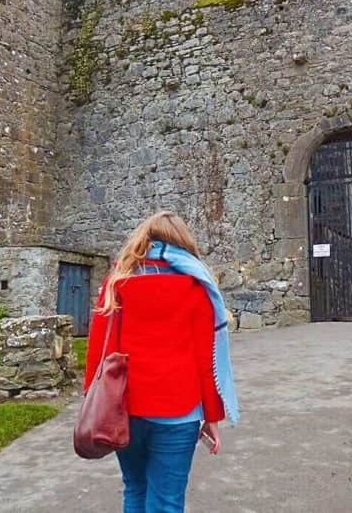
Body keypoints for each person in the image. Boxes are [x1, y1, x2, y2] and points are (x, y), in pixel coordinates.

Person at [83, 211, 240, 513]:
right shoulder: (197, 289)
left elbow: (98, 350)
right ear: (183, 243)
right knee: (166, 502)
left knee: (135, 488)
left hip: (123, 409)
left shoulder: (116, 283)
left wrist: (93, 398)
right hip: (178, 412)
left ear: (143, 239)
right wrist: (212, 417)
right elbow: (204, 362)